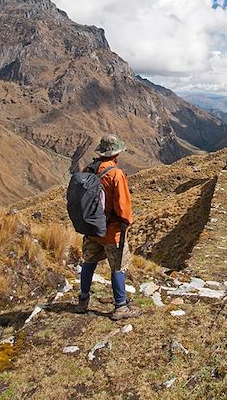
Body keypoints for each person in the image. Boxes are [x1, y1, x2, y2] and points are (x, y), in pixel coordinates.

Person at [74, 134, 141, 320]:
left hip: (91, 228)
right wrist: (126, 223)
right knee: (118, 267)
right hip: (111, 231)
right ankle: (120, 306)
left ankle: (82, 301)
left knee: (89, 262)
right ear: (116, 154)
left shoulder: (89, 169)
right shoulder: (115, 174)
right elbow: (123, 206)